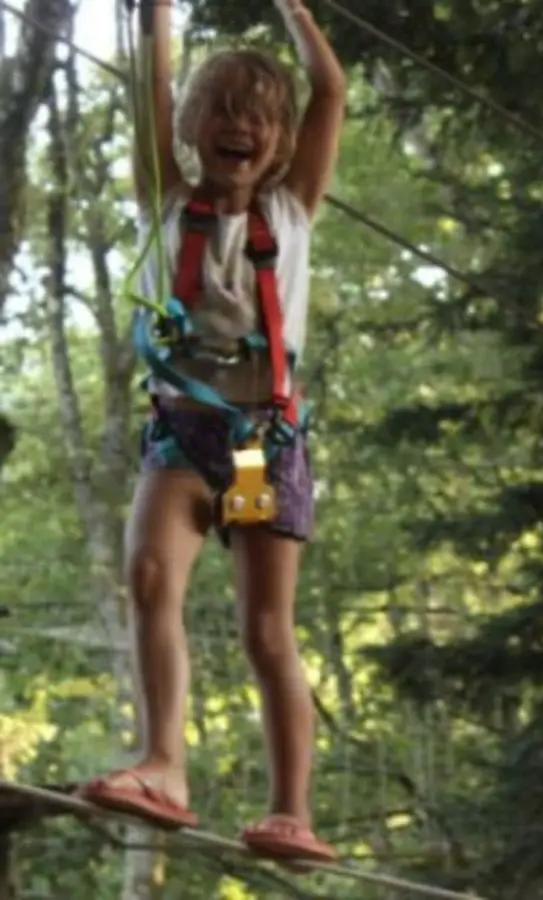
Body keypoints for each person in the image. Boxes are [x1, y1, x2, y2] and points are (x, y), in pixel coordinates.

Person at [77, 0, 346, 863]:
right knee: (150, 576)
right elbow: (150, 87)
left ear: (281, 141)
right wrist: (156, 13)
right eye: (222, 110)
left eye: (259, 117)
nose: (240, 126)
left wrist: (293, 10)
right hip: (182, 436)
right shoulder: (164, 195)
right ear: (193, 126)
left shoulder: (293, 209)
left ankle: (291, 809)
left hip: (257, 447)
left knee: (265, 627)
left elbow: (330, 90)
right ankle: (165, 764)